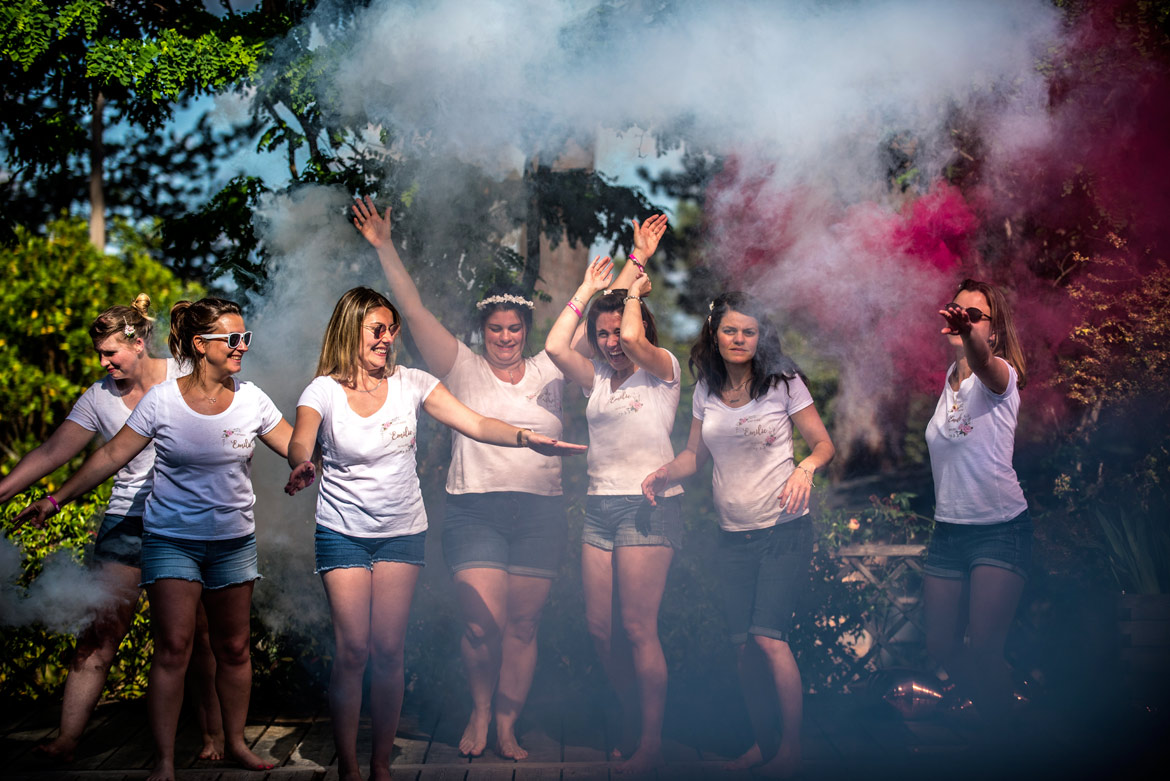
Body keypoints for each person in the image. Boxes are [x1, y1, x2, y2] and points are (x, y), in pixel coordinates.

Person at [351, 195, 664, 759]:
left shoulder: (553, 368)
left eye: (514, 328)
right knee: (482, 627)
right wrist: (384, 246)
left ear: (525, 329)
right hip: (475, 511)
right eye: (495, 328)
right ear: (483, 331)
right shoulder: (462, 367)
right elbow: (416, 312)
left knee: (522, 626)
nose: (505, 337)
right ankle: (478, 709)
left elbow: (609, 320)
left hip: (539, 515)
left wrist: (630, 264)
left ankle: (506, 725)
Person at [283, 287, 584, 781]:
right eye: (375, 330)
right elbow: (302, 434)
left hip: (402, 531)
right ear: (350, 330)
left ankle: (380, 765)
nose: (386, 339)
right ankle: (349, 768)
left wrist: (527, 438)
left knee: (387, 650)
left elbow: (475, 422)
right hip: (342, 531)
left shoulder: (414, 383)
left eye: (390, 330)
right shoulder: (323, 390)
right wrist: (301, 462)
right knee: (354, 649)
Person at [15, 297, 294, 781]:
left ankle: (225, 741)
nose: (242, 347)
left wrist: (313, 451)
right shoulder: (133, 399)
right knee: (147, 640)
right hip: (153, 531)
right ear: (200, 344)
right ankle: (121, 752)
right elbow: (93, 456)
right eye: (232, 339)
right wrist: (52, 498)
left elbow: (286, 439)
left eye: (244, 337)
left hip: (218, 535)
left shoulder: (227, 386)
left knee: (222, 644)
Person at [1, 295, 223, 763]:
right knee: (101, 628)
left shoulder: (186, 371)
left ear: (139, 343)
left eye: (110, 354)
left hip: (186, 522)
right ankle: (66, 740)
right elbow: (50, 452)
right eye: (100, 355)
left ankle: (214, 737)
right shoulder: (100, 395)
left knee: (197, 636)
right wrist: (9, 491)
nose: (104, 364)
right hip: (127, 520)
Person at [642, 292, 835, 779]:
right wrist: (666, 473)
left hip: (783, 532)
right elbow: (693, 455)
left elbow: (822, 444)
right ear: (716, 334)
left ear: (759, 337)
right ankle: (762, 744)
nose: (739, 339)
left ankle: (791, 750)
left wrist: (806, 469)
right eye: (731, 330)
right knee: (743, 648)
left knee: (769, 639)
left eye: (749, 331)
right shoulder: (706, 389)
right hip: (733, 536)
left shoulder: (784, 384)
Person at [544, 257, 680, 773]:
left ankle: (651, 739)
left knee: (638, 628)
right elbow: (557, 347)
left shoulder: (661, 368)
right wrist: (586, 288)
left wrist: (631, 291)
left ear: (639, 325)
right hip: (599, 509)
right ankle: (631, 717)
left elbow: (633, 335)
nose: (610, 342)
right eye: (601, 335)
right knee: (601, 630)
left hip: (648, 509)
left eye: (617, 332)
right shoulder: (597, 378)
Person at [923, 278, 1031, 730]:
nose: (961, 318)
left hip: (999, 526)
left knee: (984, 647)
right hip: (948, 530)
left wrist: (971, 339)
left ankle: (1004, 743)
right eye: (956, 310)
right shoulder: (948, 383)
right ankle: (1007, 702)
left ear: (994, 331)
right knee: (940, 649)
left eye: (974, 315)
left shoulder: (998, 376)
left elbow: (982, 361)